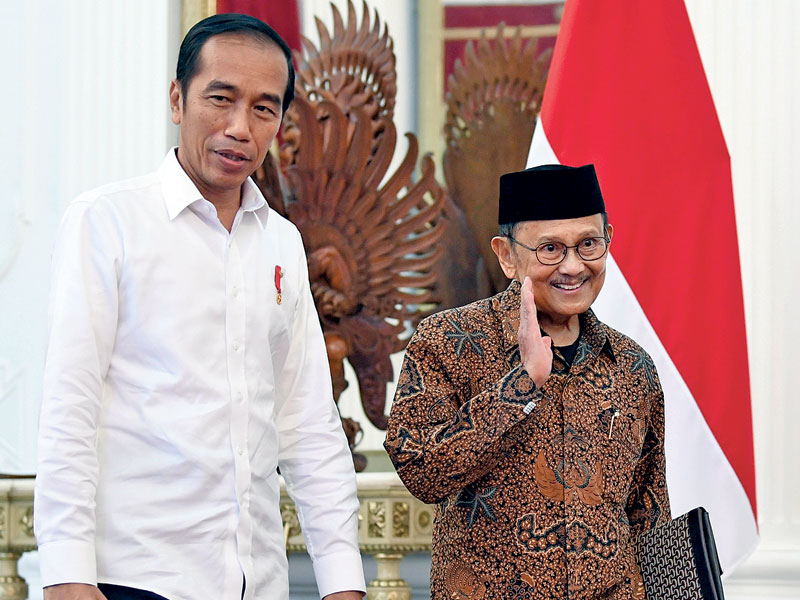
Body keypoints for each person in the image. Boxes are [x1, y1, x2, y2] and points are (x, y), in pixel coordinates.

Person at [35, 14, 365, 600]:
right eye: (220, 99)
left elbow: (309, 424)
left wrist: (343, 583)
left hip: (255, 580)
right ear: (176, 100)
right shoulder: (107, 223)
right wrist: (66, 575)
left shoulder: (282, 242)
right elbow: (69, 409)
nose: (240, 127)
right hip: (133, 578)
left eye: (264, 109)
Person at [384, 164, 670, 599]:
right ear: (506, 255)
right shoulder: (446, 343)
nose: (573, 266)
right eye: (550, 249)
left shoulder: (633, 366)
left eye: (589, 244)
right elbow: (422, 472)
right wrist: (521, 385)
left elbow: (650, 518)